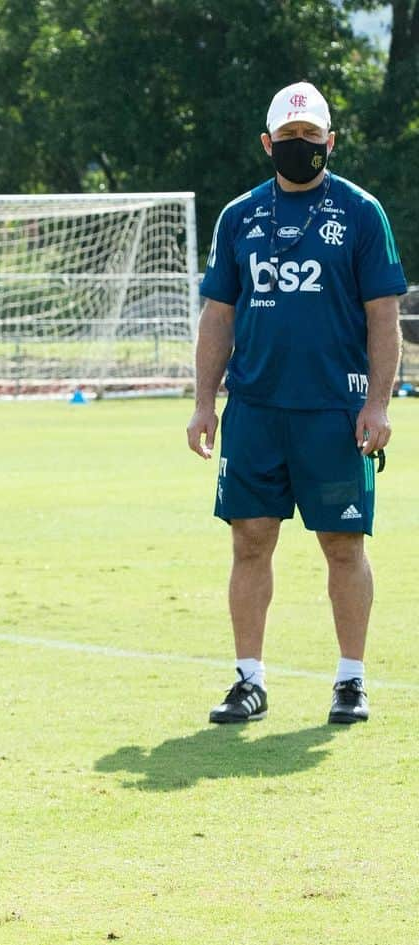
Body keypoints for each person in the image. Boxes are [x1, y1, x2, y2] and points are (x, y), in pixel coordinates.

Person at [187, 81, 406, 726]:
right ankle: (249, 681)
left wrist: (380, 405)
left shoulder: (363, 214)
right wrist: (205, 402)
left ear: (330, 141)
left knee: (343, 542)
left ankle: (350, 680)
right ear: (268, 143)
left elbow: (383, 318)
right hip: (255, 410)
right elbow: (218, 316)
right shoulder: (239, 217)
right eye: (289, 138)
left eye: (312, 137)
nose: (300, 147)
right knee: (250, 540)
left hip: (335, 411)